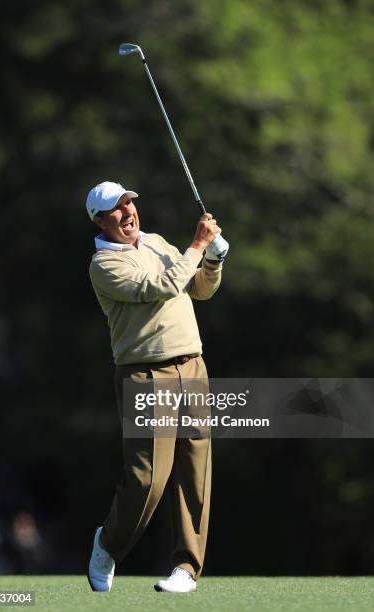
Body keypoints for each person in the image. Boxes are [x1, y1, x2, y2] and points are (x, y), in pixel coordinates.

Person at [86, 181, 226, 593]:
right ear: (99, 220)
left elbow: (195, 287)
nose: (128, 212)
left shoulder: (157, 242)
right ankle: (107, 543)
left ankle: (187, 567)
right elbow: (160, 288)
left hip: (193, 366)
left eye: (130, 203)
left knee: (195, 470)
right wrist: (198, 246)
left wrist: (213, 261)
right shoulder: (104, 265)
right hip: (147, 374)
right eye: (117, 209)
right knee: (147, 478)